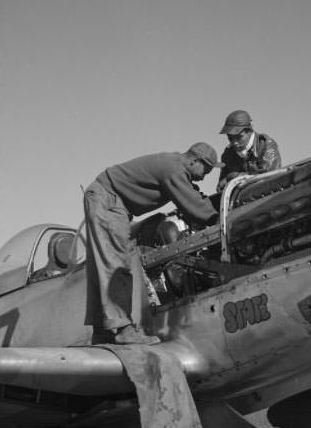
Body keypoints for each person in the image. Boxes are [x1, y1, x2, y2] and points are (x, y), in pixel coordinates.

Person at [84, 142, 222, 345]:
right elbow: (197, 208)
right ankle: (124, 330)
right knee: (117, 266)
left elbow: (193, 196)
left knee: (104, 266)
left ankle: (102, 331)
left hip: (107, 199)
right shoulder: (175, 170)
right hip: (109, 201)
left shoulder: (173, 165)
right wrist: (222, 219)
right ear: (194, 160)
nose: (204, 177)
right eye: (206, 170)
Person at [216, 110, 281, 192]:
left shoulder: (266, 145)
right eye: (230, 138)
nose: (234, 142)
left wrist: (234, 177)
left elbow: (268, 176)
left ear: (250, 131)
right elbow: (222, 186)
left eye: (239, 137)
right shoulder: (228, 154)